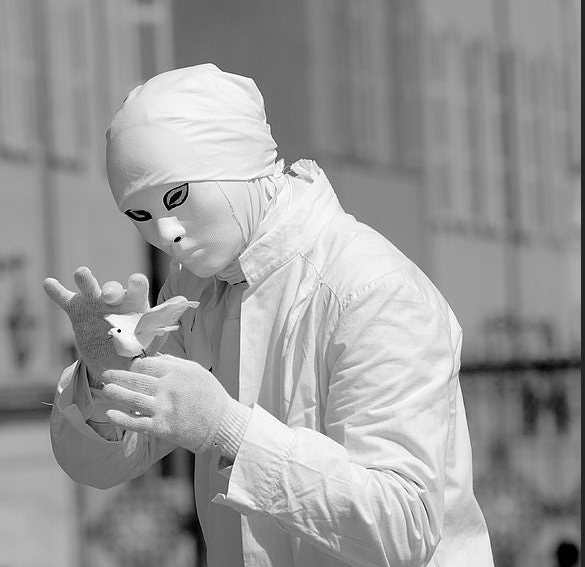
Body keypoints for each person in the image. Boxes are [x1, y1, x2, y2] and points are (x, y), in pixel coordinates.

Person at [46, 64, 494, 567]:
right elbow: (101, 466)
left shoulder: (371, 292)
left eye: (177, 197)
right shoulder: (194, 289)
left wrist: (230, 431)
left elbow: (404, 526)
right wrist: (106, 381)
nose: (166, 233)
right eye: (140, 215)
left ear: (240, 164)